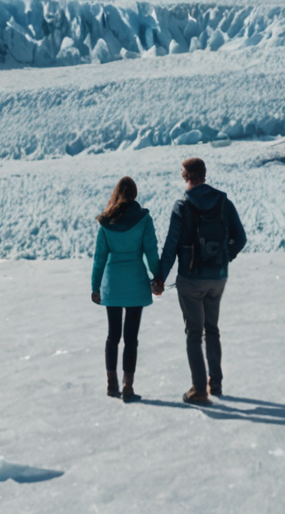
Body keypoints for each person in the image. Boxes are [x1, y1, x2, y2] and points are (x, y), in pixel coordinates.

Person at [153, 156, 247, 406]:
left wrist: (160, 278)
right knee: (212, 329)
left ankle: (199, 389)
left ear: (188, 177)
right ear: (203, 174)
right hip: (217, 277)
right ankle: (215, 382)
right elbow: (240, 238)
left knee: (194, 333)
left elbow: (171, 246)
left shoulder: (182, 206)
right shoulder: (223, 202)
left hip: (191, 280)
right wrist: (224, 258)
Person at [89, 176, 157, 402]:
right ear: (134, 194)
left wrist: (95, 287)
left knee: (113, 336)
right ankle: (128, 387)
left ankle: (111, 384)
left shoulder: (106, 221)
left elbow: (99, 258)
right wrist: (157, 277)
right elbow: (151, 251)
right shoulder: (144, 219)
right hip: (136, 283)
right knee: (131, 338)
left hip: (113, 284)